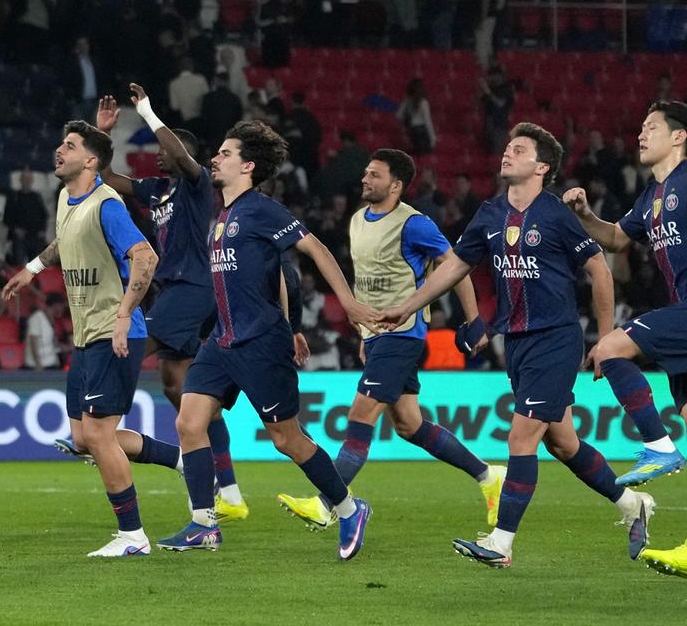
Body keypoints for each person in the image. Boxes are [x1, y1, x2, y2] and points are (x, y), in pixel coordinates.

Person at [377, 123, 656, 568]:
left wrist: (606, 339)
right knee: (563, 443)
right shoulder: (490, 213)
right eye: (507, 147)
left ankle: (501, 543)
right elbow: (455, 267)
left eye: (519, 149)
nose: (507, 153)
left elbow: (600, 271)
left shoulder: (556, 213)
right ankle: (632, 504)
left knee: (521, 435)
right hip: (518, 342)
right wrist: (407, 307)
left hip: (556, 338)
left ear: (541, 167)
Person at [155, 120, 374, 561]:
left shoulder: (262, 209)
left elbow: (316, 250)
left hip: (260, 343)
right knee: (188, 423)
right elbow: (275, 275)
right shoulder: (222, 217)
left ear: (248, 166)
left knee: (286, 439)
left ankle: (350, 510)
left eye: (225, 153)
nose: (215, 158)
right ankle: (204, 525)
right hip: (222, 342)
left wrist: (348, 305)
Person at [276, 149, 501, 531]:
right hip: (378, 336)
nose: (365, 179)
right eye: (366, 172)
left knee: (360, 415)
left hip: (404, 333)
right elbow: (366, 284)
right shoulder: (356, 221)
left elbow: (456, 268)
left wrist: (474, 319)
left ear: (396, 185)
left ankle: (328, 503)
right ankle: (488, 475)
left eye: (374, 175)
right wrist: (366, 335)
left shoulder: (414, 224)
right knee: (409, 424)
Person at [2, 121, 173, 557]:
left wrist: (124, 314)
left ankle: (133, 536)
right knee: (83, 438)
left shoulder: (107, 205)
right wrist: (32, 270)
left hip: (113, 333)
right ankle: (184, 460)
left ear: (91, 161)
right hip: (86, 336)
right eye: (61, 143)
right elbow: (65, 240)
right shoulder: (66, 198)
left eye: (70, 145)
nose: (59, 150)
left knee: (98, 435)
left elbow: (145, 257)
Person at [92, 87, 250, 520]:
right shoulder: (156, 190)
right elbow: (106, 178)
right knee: (180, 390)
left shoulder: (196, 186)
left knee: (131, 344)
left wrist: (147, 111)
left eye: (166, 149)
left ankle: (97, 424)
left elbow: (180, 155)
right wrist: (104, 135)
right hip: (172, 290)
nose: (158, 154)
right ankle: (229, 492)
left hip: (193, 288)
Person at [562, 102, 687, 493]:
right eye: (641, 128)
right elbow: (616, 238)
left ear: (679, 136)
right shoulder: (651, 196)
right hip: (681, 310)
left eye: (651, 127)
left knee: (609, 348)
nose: (641, 134)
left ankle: (659, 447)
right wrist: (585, 215)